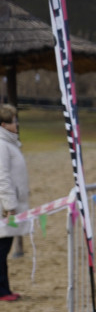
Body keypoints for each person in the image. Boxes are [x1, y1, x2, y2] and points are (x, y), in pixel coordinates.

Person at [0, 105, 29, 301]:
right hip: (4, 208)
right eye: (13, 121)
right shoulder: (2, 145)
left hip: (9, 204)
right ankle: (2, 291)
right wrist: (10, 205)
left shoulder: (10, 143)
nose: (16, 124)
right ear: (3, 124)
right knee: (1, 250)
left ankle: (5, 289)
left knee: (3, 250)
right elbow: (2, 177)